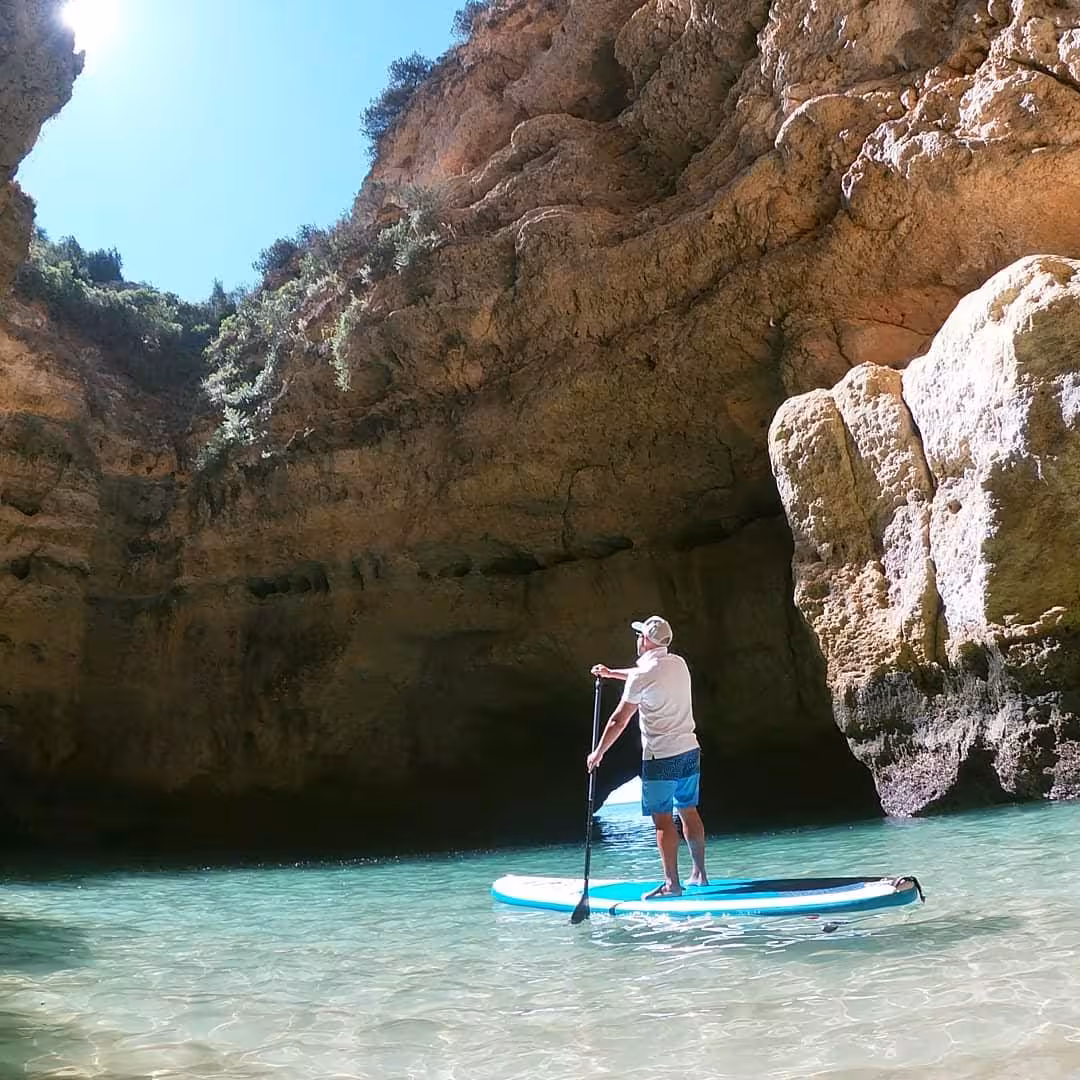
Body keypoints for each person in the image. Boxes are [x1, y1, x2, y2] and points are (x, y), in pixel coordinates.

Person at [587, 615, 708, 899]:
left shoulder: (643, 676)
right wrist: (611, 673)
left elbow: (619, 719)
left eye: (640, 635)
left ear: (646, 640)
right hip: (690, 749)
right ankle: (699, 875)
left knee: (663, 821)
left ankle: (671, 885)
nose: (637, 638)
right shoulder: (678, 663)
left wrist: (598, 752)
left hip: (660, 758)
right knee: (688, 810)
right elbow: (644, 675)